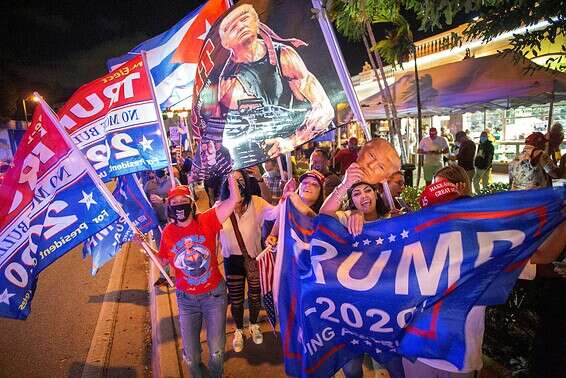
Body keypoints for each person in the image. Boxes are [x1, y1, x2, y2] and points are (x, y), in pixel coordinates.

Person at [215, 3, 334, 162]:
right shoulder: (228, 83)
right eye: (231, 27)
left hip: (290, 150)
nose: (241, 26)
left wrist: (292, 141)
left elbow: (324, 108)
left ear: (257, 23)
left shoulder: (284, 56)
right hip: (253, 161)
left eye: (244, 19)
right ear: (225, 43)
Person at [319, 163, 403, 378]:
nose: (363, 196)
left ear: (376, 193)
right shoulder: (346, 219)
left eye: (367, 190)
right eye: (356, 193)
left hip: (385, 313)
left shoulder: (394, 219)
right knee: (353, 369)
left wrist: (401, 222)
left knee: (396, 368)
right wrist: (346, 184)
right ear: (351, 200)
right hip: (352, 312)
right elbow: (324, 214)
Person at [153, 178, 239, 378]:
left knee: (217, 348)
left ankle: (216, 375)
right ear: (169, 207)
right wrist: (144, 246)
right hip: (186, 300)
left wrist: (231, 176)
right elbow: (163, 260)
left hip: (213, 296)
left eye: (183, 200)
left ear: (191, 203)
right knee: (191, 355)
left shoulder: (208, 220)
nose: (179, 205)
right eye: (174, 202)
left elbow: (234, 199)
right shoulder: (168, 232)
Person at [218, 169, 279, 353]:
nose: (236, 183)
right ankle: (238, 330)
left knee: (254, 296)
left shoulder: (257, 202)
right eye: (231, 180)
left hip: (253, 258)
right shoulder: (220, 206)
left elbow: (276, 212)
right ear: (225, 184)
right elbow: (208, 228)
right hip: (231, 261)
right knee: (236, 301)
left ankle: (253, 324)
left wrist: (287, 195)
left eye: (240, 179)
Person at [144, 169, 178, 247]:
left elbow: (181, 198)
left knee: (176, 243)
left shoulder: (173, 181)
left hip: (172, 218)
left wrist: (163, 200)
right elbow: (144, 200)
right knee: (160, 245)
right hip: (157, 220)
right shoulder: (148, 185)